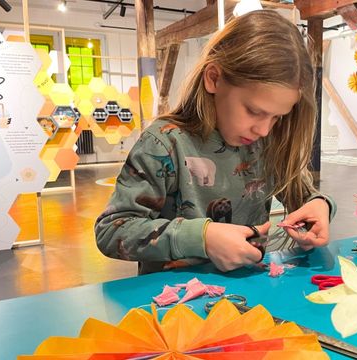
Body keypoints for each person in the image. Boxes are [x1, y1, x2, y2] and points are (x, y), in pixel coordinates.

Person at [95, 10, 336, 274]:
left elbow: (303, 196)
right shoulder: (164, 144)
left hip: (250, 293)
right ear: (213, 79)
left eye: (277, 117)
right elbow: (112, 230)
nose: (265, 129)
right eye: (254, 111)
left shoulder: (266, 143)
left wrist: (320, 205)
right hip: (174, 301)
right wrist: (203, 237)